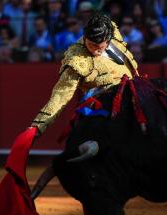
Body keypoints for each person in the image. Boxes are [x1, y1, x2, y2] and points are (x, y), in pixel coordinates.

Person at [28, 12, 138, 200]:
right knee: (87, 147)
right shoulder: (76, 59)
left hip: (136, 96)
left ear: (109, 38)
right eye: (90, 44)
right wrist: (38, 126)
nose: (94, 49)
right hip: (102, 110)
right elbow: (60, 96)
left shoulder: (112, 32)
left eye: (99, 45)